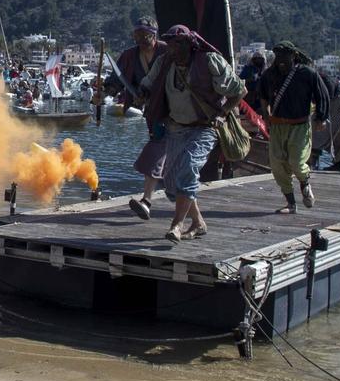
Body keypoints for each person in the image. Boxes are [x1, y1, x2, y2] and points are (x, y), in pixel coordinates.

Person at [140, 25, 242, 239]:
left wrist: (222, 113)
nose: (172, 48)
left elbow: (238, 92)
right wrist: (143, 94)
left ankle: (176, 226)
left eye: (177, 44)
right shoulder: (164, 62)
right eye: (170, 44)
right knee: (171, 185)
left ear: (188, 44)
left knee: (188, 169)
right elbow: (147, 84)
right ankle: (198, 223)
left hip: (204, 128)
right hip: (175, 128)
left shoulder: (209, 62)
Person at [99, 18, 169, 219]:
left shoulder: (167, 52)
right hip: (154, 114)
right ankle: (156, 199)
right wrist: (102, 95)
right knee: (160, 149)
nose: (139, 38)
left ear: (153, 34)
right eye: (136, 34)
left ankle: (148, 199)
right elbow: (115, 83)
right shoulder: (130, 56)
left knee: (159, 150)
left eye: (143, 34)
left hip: (173, 110)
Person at [264, 43, 330, 210]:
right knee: (277, 165)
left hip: (299, 126)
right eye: (277, 56)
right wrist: (266, 116)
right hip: (278, 126)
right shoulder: (270, 74)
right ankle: (291, 203)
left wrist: (321, 118)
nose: (280, 61)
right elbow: (263, 96)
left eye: (283, 56)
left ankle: (305, 183)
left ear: (293, 55)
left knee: (297, 161)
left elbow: (322, 96)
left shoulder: (307, 74)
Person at [313, 64, 340, 169]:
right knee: (316, 129)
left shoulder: (321, 81)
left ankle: (337, 163)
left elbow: (328, 96)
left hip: (339, 100)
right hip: (333, 99)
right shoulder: (312, 81)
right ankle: (313, 159)